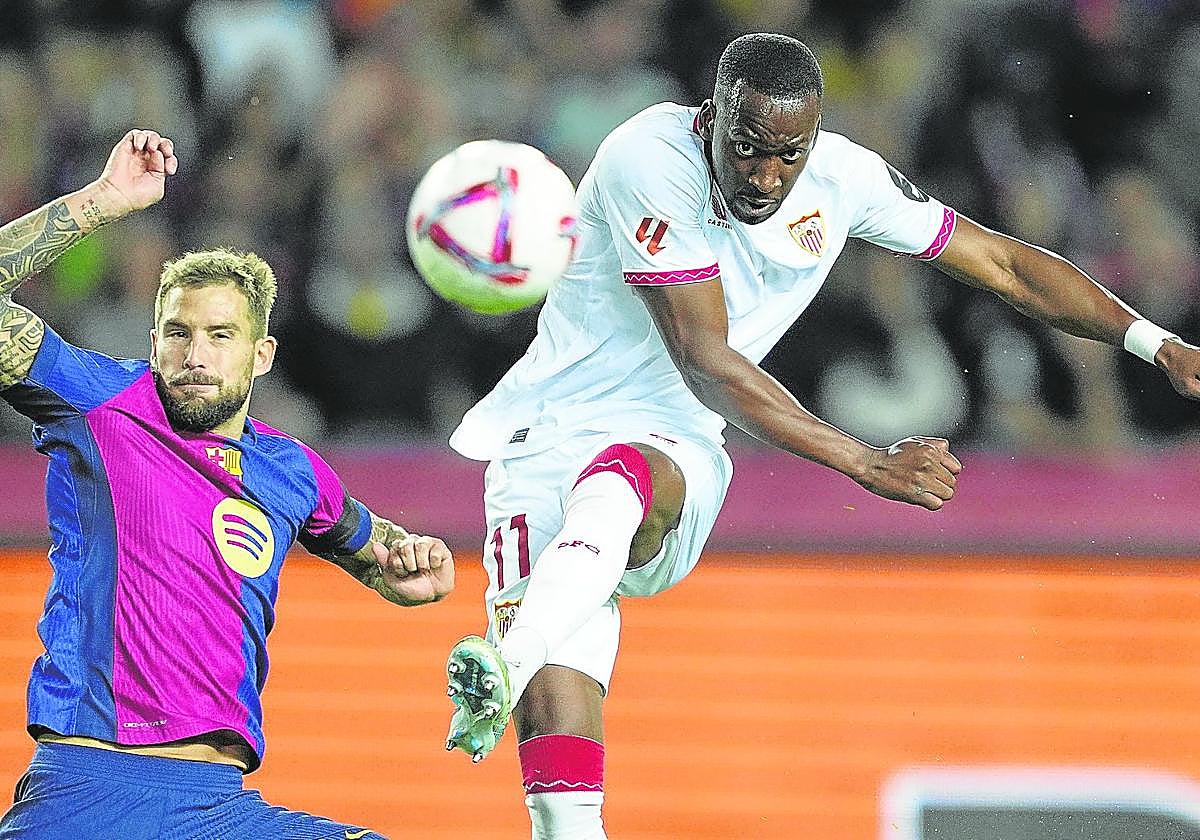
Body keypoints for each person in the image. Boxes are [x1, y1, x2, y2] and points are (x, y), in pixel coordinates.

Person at [441, 32, 1200, 839]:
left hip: (674, 450)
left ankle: (506, 658)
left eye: (788, 155)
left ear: (814, 137)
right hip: (540, 448)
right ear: (710, 119)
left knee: (622, 472)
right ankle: (518, 670)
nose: (766, 177)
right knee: (562, 809)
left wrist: (1156, 344)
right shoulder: (648, 158)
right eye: (747, 149)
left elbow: (1005, 265)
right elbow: (705, 356)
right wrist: (864, 461)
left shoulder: (845, 179)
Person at [0, 129, 455, 840]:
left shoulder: (291, 471)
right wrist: (102, 201)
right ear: (154, 342)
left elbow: (378, 551)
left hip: (219, 808)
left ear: (261, 353)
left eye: (220, 335)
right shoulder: (102, 406)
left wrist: (409, 565)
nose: (196, 355)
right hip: (90, 792)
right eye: (177, 333)